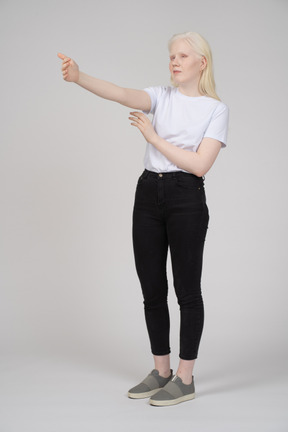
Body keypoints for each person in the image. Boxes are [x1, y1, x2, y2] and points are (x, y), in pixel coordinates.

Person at [57, 31, 229, 407]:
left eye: (183, 55)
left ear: (202, 62)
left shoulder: (215, 109)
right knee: (152, 288)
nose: (175, 61)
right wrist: (80, 77)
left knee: (187, 292)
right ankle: (161, 370)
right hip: (148, 193)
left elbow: (200, 165)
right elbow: (119, 93)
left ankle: (185, 378)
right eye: (171, 55)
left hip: (186, 197)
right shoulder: (161, 97)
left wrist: (154, 138)